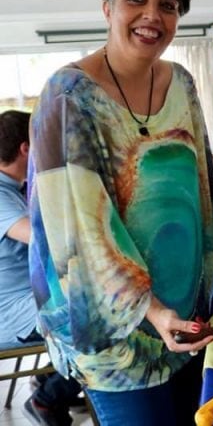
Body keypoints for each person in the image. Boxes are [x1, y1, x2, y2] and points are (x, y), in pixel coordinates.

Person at [27, 0, 213, 425]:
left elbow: (200, 184)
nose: (152, 15)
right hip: (114, 333)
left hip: (184, 314)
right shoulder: (70, 97)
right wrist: (151, 310)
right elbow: (79, 233)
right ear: (107, 7)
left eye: (168, 5)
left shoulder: (181, 82)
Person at [0, 110, 84, 426]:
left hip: (33, 295)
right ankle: (48, 399)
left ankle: (55, 376)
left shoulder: (15, 188)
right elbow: (37, 238)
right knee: (96, 318)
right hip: (11, 311)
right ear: (26, 148)